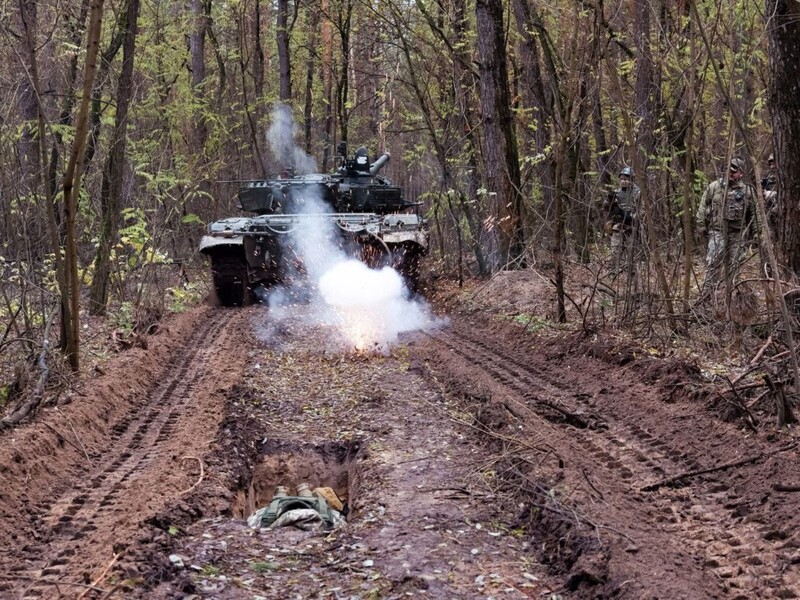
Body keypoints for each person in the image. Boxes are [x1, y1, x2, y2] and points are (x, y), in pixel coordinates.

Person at [695, 157, 757, 302]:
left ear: (741, 173)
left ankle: (733, 297)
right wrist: (700, 224)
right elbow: (703, 205)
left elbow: (755, 213)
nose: (730, 173)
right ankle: (706, 297)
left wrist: (757, 232)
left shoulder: (747, 191)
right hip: (717, 232)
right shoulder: (715, 187)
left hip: (738, 234)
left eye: (734, 171)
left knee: (736, 266)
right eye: (729, 170)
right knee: (713, 265)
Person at [603, 166, 641, 273]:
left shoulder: (638, 193)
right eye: (622, 179)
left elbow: (641, 210)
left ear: (631, 180)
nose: (623, 181)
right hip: (618, 226)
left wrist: (631, 217)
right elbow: (605, 208)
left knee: (631, 251)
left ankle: (632, 273)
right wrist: (609, 200)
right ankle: (612, 272)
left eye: (626, 179)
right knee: (615, 250)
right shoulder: (616, 193)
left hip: (632, 226)